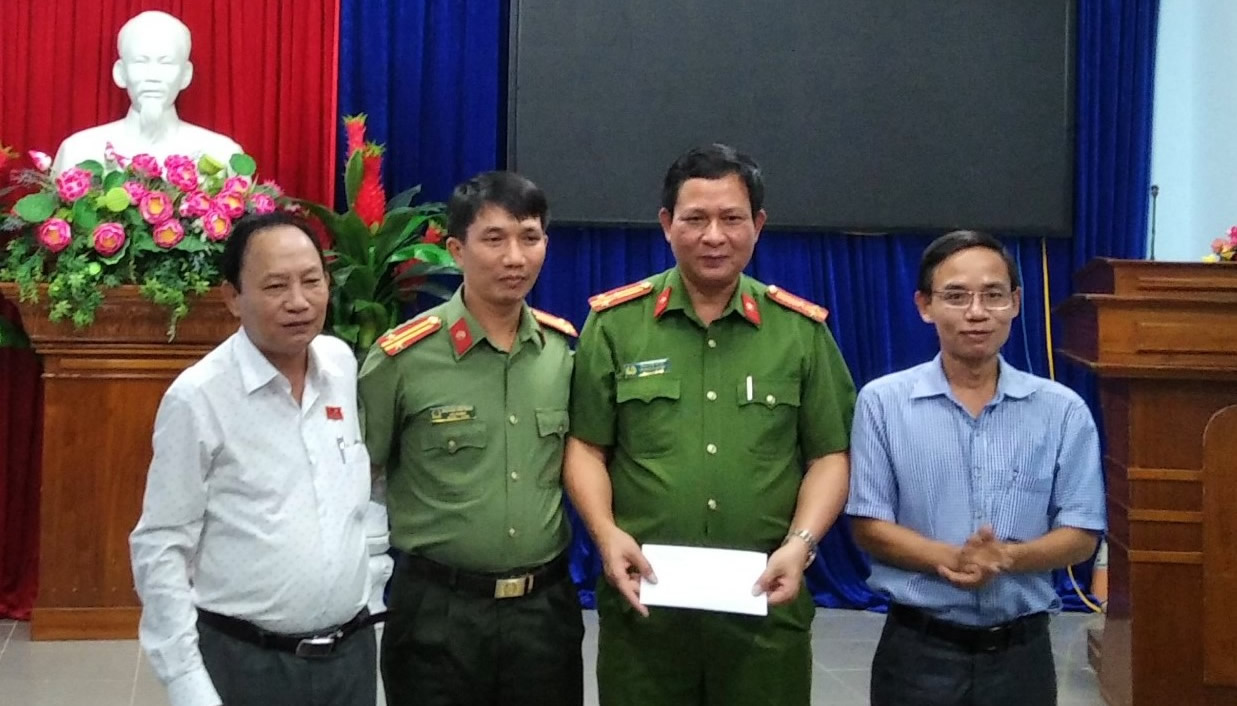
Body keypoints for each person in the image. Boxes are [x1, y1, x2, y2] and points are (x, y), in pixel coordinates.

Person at [565, 143, 857, 705]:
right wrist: (605, 534)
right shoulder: (616, 325)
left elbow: (829, 456)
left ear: (758, 225)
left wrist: (800, 543)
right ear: (666, 224)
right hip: (645, 606)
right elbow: (585, 447)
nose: (714, 236)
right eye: (695, 219)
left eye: (732, 219)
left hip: (763, 605)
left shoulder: (800, 332)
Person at [846, 230, 1106, 706]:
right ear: (925, 306)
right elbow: (869, 525)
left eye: (993, 295)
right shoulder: (882, 403)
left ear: (1016, 303)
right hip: (917, 652)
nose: (976, 312)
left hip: (1021, 657)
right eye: (956, 296)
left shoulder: (1062, 410)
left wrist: (1005, 557)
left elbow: (1082, 533)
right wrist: (951, 558)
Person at [130, 213, 376, 706]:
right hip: (248, 663)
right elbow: (160, 545)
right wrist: (186, 682)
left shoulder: (340, 365)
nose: (299, 302)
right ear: (232, 297)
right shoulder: (198, 397)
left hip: (349, 657)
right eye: (275, 286)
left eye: (312, 281)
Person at [358, 170, 583, 706]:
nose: (515, 257)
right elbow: (360, 476)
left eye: (530, 238)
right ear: (456, 249)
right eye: (494, 239)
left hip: (542, 613)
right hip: (438, 612)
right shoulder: (403, 358)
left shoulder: (561, 353)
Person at [52, 10, 242, 172]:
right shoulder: (79, 151)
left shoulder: (222, 154)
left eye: (166, 63)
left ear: (186, 74)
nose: (153, 76)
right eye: (140, 62)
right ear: (120, 73)